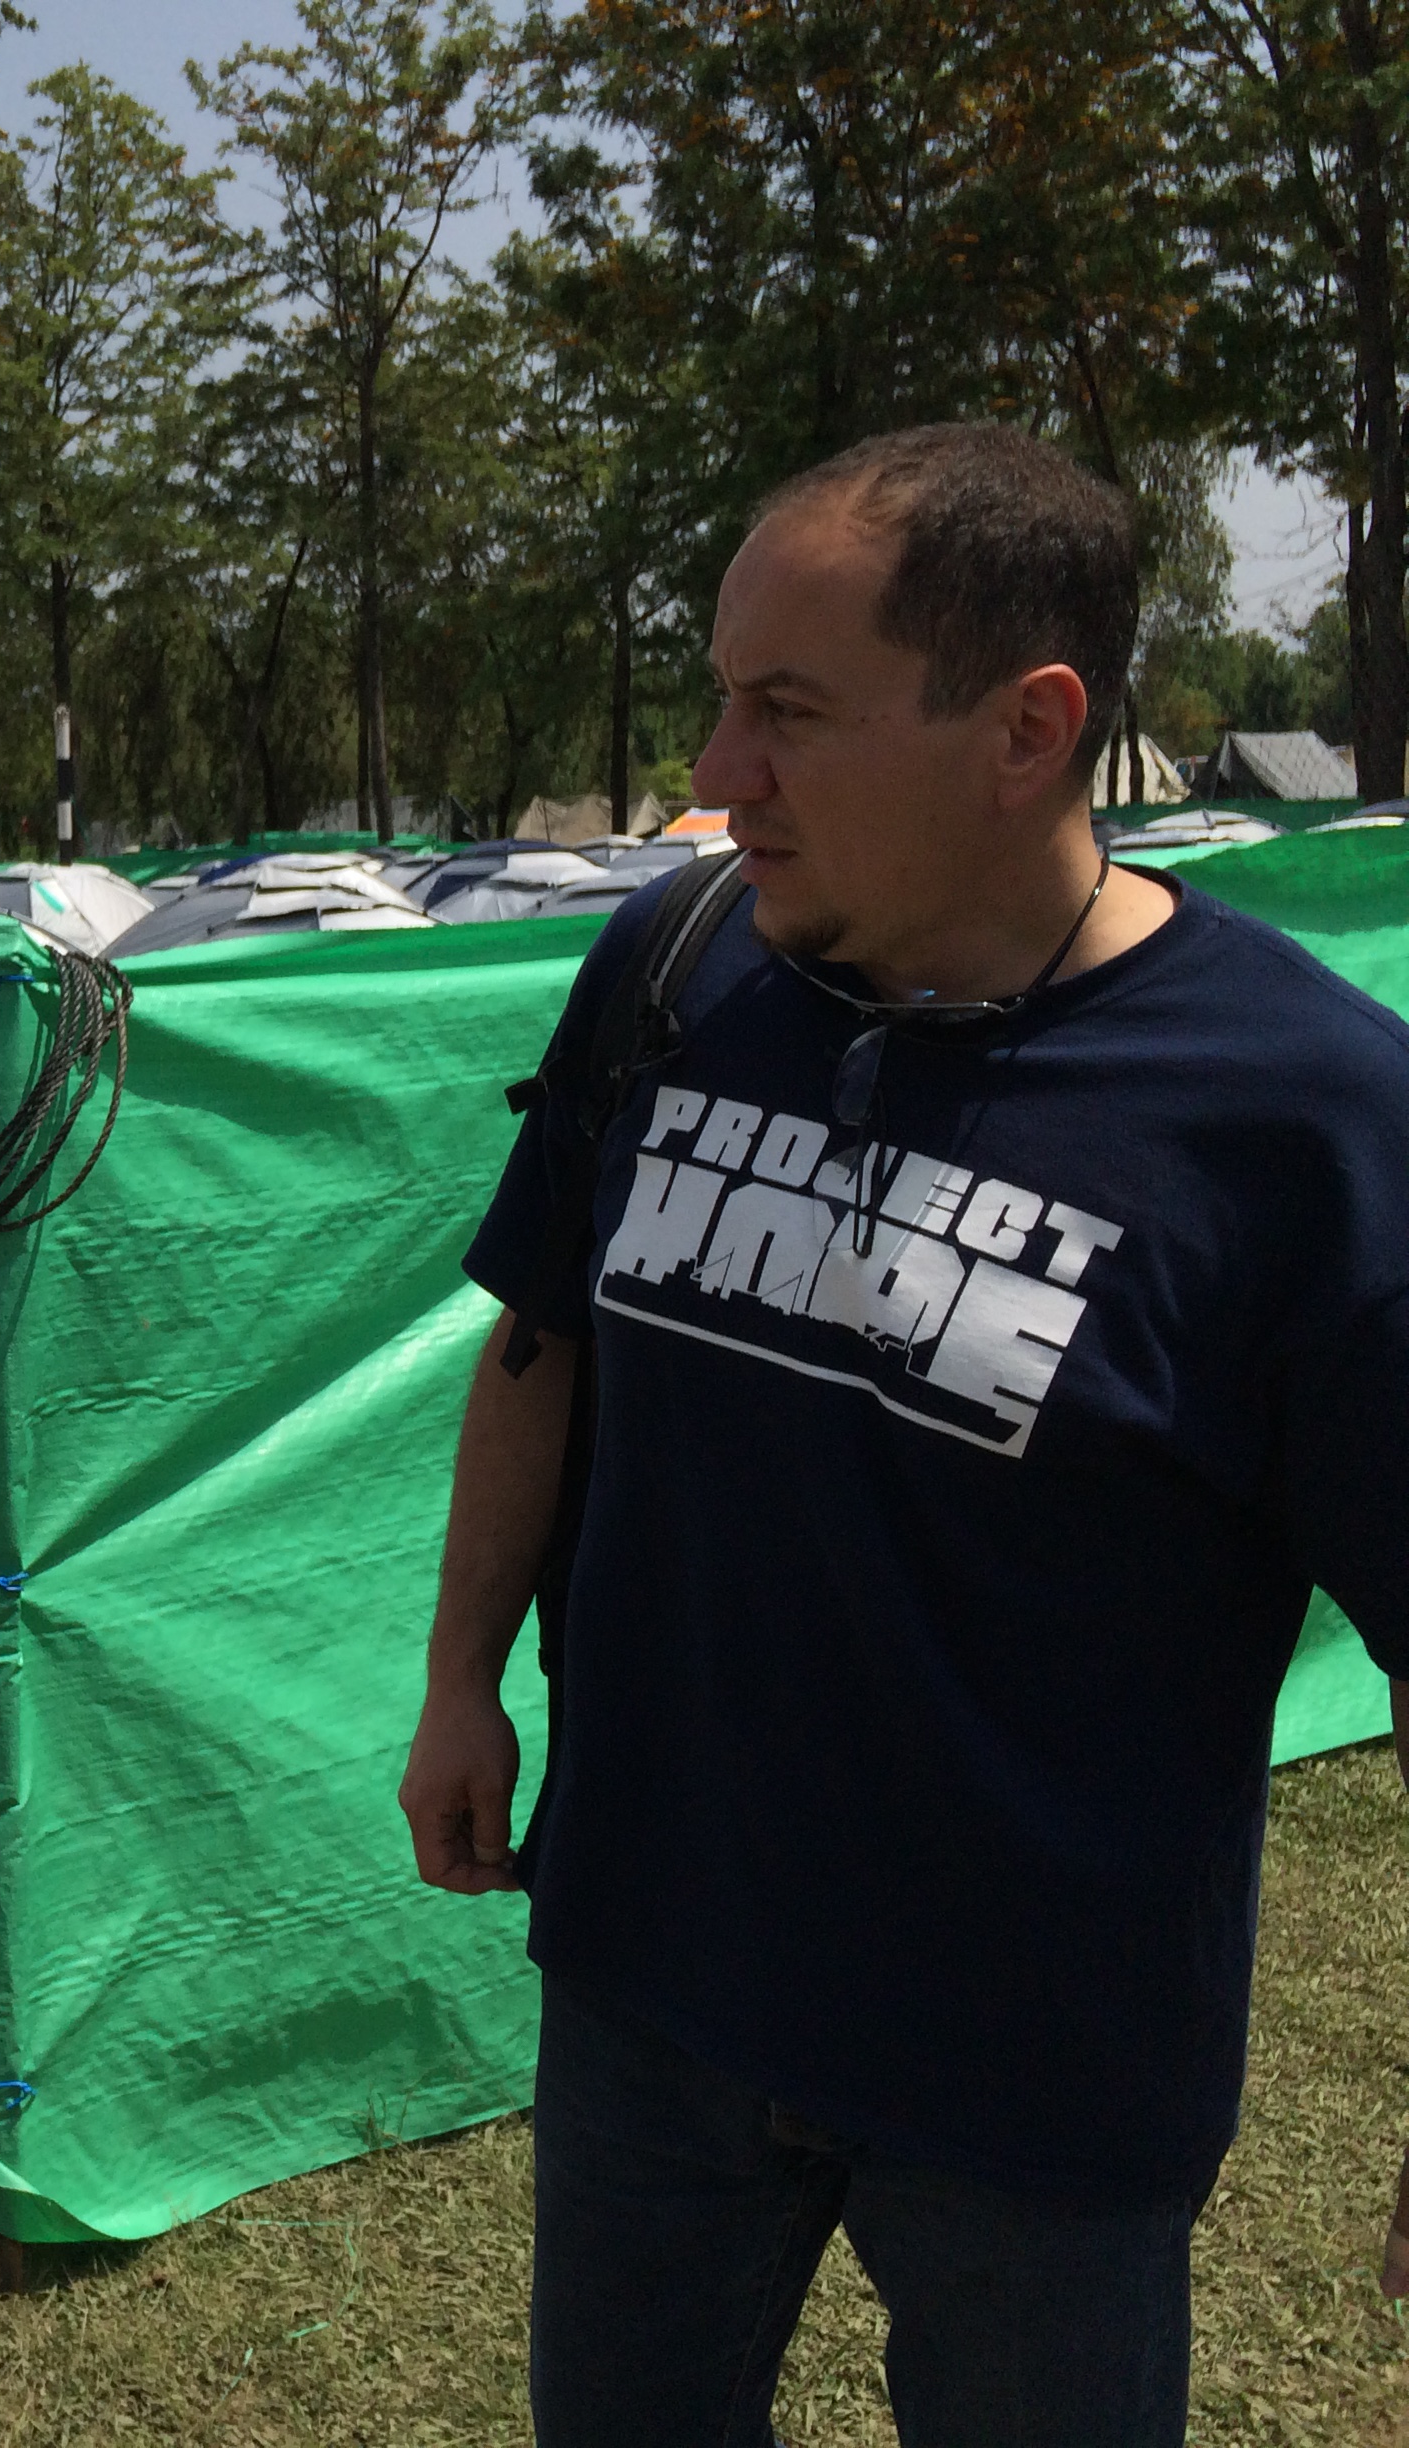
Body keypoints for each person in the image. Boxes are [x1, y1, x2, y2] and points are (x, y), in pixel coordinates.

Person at [397, 421, 1409, 2444]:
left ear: (1027, 730)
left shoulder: (1308, 1123)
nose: (711, 774)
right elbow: (545, 1345)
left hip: (1032, 2089)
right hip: (651, 1987)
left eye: (787, 712)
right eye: (716, 697)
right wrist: (458, 1680)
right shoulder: (676, 969)